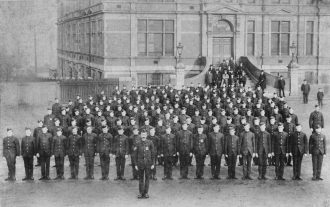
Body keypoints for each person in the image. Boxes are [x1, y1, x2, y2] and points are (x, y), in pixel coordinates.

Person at [134, 129, 155, 199]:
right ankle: (141, 192)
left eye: (144, 135)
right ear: (140, 135)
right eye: (142, 135)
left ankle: (146, 193)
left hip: (148, 164)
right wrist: (136, 165)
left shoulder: (150, 142)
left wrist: (153, 164)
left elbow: (153, 154)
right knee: (140, 179)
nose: (143, 136)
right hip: (140, 164)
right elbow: (135, 155)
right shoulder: (137, 143)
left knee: (147, 178)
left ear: (146, 135)